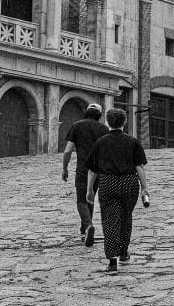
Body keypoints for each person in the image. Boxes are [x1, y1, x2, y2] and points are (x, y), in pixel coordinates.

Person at [85, 108, 149, 273]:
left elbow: (92, 169)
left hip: (108, 183)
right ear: (124, 122)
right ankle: (123, 252)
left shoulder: (100, 142)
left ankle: (112, 261)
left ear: (107, 122)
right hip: (129, 183)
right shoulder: (133, 141)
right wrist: (145, 188)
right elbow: (139, 167)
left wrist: (90, 190)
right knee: (126, 217)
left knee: (110, 220)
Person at [62, 103, 109, 246]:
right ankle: (84, 229)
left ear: (86, 112)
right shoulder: (104, 129)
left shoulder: (76, 126)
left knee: (81, 200)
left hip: (83, 169)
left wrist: (64, 168)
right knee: (91, 197)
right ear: (99, 115)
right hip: (99, 170)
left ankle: (88, 226)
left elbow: (68, 150)